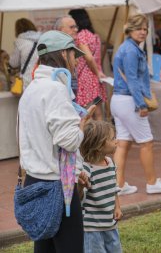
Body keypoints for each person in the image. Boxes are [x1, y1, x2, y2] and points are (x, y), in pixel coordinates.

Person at [18, 30, 94, 252]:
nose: (75, 62)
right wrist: (82, 123)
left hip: (34, 180)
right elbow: (69, 141)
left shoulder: (32, 88)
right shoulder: (55, 89)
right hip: (58, 186)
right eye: (73, 55)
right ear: (63, 53)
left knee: (45, 248)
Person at [111, 14, 161, 195]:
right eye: (138, 28)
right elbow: (132, 79)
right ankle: (152, 183)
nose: (143, 32)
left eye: (145, 29)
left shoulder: (125, 48)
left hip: (118, 100)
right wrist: (141, 104)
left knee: (122, 143)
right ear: (129, 29)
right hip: (130, 101)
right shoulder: (131, 51)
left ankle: (119, 184)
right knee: (146, 142)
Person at [78, 120, 123, 253]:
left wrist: (117, 207)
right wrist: (81, 185)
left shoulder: (109, 162)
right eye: (112, 138)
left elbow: (114, 187)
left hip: (110, 224)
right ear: (98, 145)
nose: (116, 141)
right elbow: (80, 198)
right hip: (91, 228)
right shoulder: (87, 169)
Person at [69, 9, 107, 121]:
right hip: (96, 78)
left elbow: (88, 57)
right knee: (98, 112)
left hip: (86, 78)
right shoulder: (94, 35)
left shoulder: (81, 36)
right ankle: (101, 137)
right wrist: (98, 73)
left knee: (85, 113)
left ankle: (89, 138)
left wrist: (97, 72)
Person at [9, 18, 41, 90]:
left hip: (27, 79)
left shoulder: (20, 41)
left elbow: (14, 63)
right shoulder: (41, 39)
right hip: (41, 77)